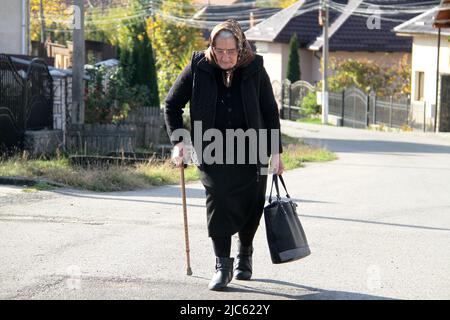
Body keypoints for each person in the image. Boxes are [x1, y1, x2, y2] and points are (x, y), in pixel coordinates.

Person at [164, 19, 284, 291]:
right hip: (212, 150)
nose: (225, 57)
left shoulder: (255, 68)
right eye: (220, 51)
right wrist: (179, 140)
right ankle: (222, 265)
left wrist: (276, 152)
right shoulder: (199, 67)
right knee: (218, 200)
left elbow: (269, 111)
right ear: (212, 47)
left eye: (231, 51)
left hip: (252, 151)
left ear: (240, 47)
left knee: (251, 207)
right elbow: (172, 104)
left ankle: (245, 253)